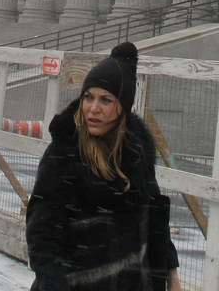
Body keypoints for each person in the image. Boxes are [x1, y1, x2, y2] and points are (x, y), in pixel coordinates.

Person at [26, 42, 181, 291]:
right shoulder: (65, 150)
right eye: (88, 97)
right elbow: (42, 233)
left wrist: (171, 275)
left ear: (122, 107)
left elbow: (155, 220)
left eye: (106, 100)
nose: (93, 109)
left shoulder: (136, 151)